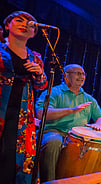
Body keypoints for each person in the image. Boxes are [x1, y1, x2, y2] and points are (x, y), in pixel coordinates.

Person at [35, 64, 101, 182]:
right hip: (54, 131)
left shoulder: (89, 98)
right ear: (66, 75)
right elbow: (41, 113)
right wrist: (72, 110)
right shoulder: (54, 92)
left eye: (83, 74)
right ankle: (49, 181)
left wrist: (98, 124)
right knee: (53, 141)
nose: (82, 77)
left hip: (79, 137)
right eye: (78, 73)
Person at [0, 11, 48, 184]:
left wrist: (39, 74)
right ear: (7, 25)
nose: (24, 24)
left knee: (13, 156)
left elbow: (41, 86)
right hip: (2, 105)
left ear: (34, 32)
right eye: (19, 20)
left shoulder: (35, 57)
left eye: (30, 24)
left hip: (21, 113)